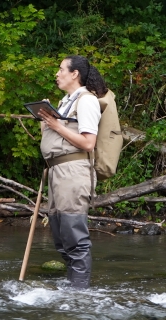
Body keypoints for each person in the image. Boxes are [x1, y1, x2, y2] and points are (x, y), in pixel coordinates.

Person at [37, 55, 108, 289]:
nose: (57, 74)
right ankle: (73, 286)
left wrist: (56, 125)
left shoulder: (86, 101)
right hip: (57, 172)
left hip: (74, 173)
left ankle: (79, 295)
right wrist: (46, 123)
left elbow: (88, 143)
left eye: (60, 69)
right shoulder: (65, 101)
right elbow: (59, 140)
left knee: (74, 238)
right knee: (60, 238)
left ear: (74, 74)